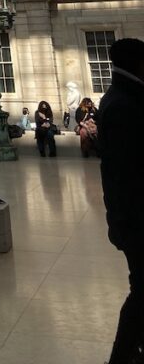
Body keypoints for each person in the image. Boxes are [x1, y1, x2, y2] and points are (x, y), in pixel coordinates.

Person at [98, 38, 144, 364]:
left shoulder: (121, 99)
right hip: (136, 219)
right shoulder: (123, 104)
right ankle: (122, 356)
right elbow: (123, 173)